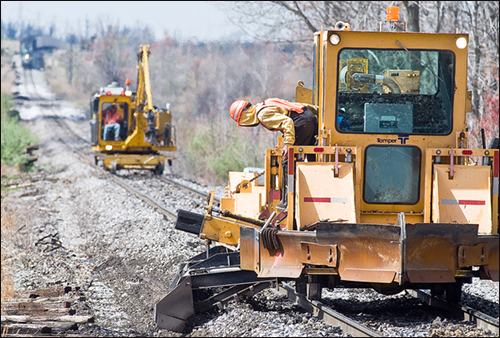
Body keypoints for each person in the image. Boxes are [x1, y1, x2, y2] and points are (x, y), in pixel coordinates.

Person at [229, 98, 318, 210]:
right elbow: (299, 105)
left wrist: (288, 145)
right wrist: (319, 111)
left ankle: (288, 201)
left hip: (301, 124)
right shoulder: (268, 103)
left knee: (288, 161)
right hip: (310, 119)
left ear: (243, 117)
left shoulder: (262, 115)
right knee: (311, 157)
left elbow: (287, 122)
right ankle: (314, 191)